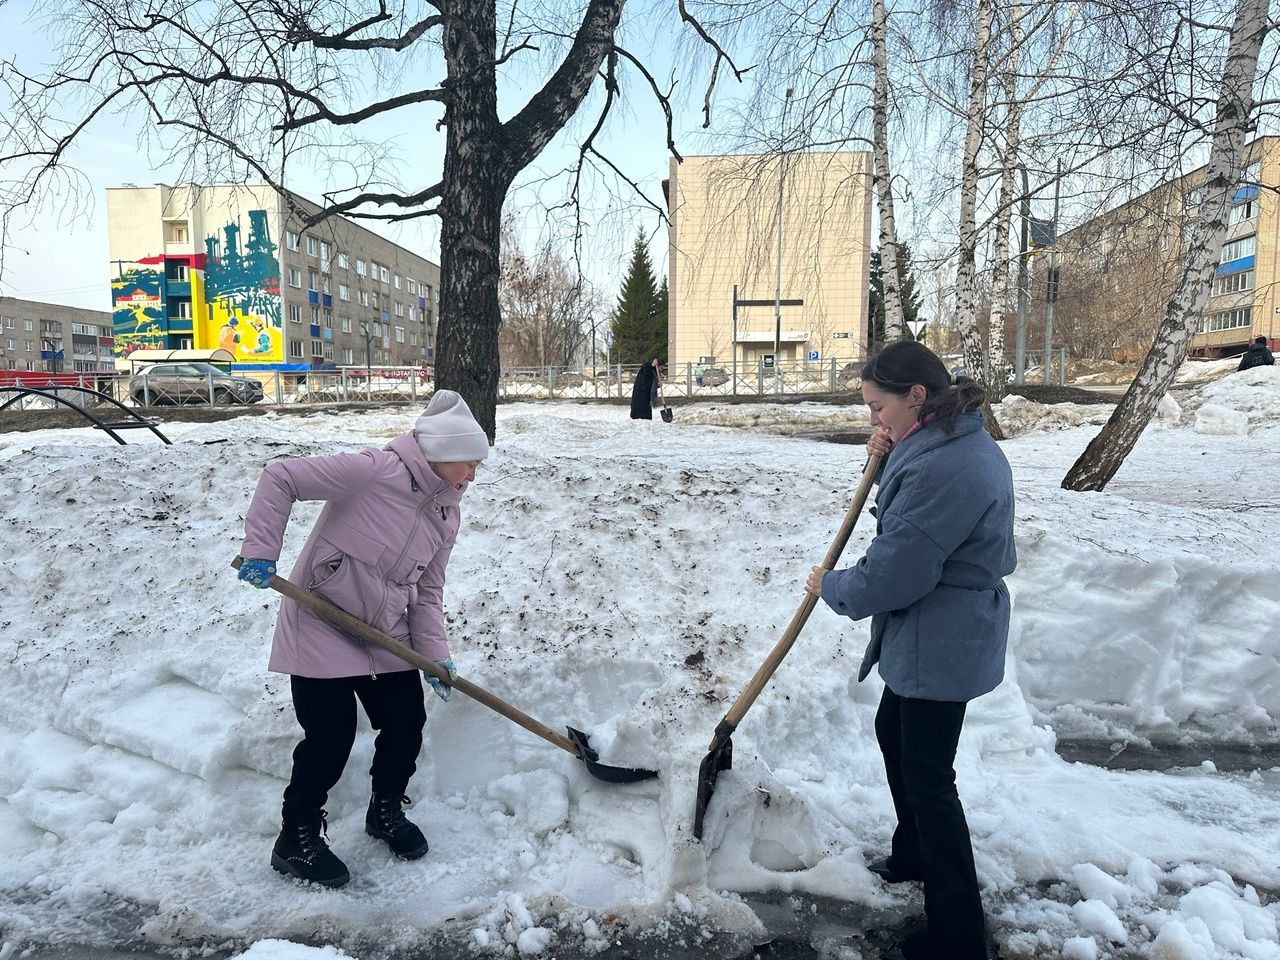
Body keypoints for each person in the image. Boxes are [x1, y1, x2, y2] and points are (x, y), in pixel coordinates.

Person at [805, 340, 1014, 960]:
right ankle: (913, 854)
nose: (872, 418)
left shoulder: (943, 464)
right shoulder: (944, 441)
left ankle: (957, 933)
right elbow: (913, 522)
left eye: (877, 407)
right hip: (936, 628)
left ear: (916, 396)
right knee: (895, 731)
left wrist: (833, 587)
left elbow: (900, 567)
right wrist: (891, 450)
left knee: (929, 778)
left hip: (940, 634)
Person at [237, 389, 488, 888]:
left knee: (406, 723)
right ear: (440, 455)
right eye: (468, 463)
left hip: (385, 633)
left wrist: (435, 656)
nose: (473, 476)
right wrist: (261, 549)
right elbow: (282, 476)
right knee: (329, 739)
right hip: (321, 620)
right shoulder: (374, 470)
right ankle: (297, 837)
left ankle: (385, 810)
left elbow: (428, 589)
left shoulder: (446, 514)